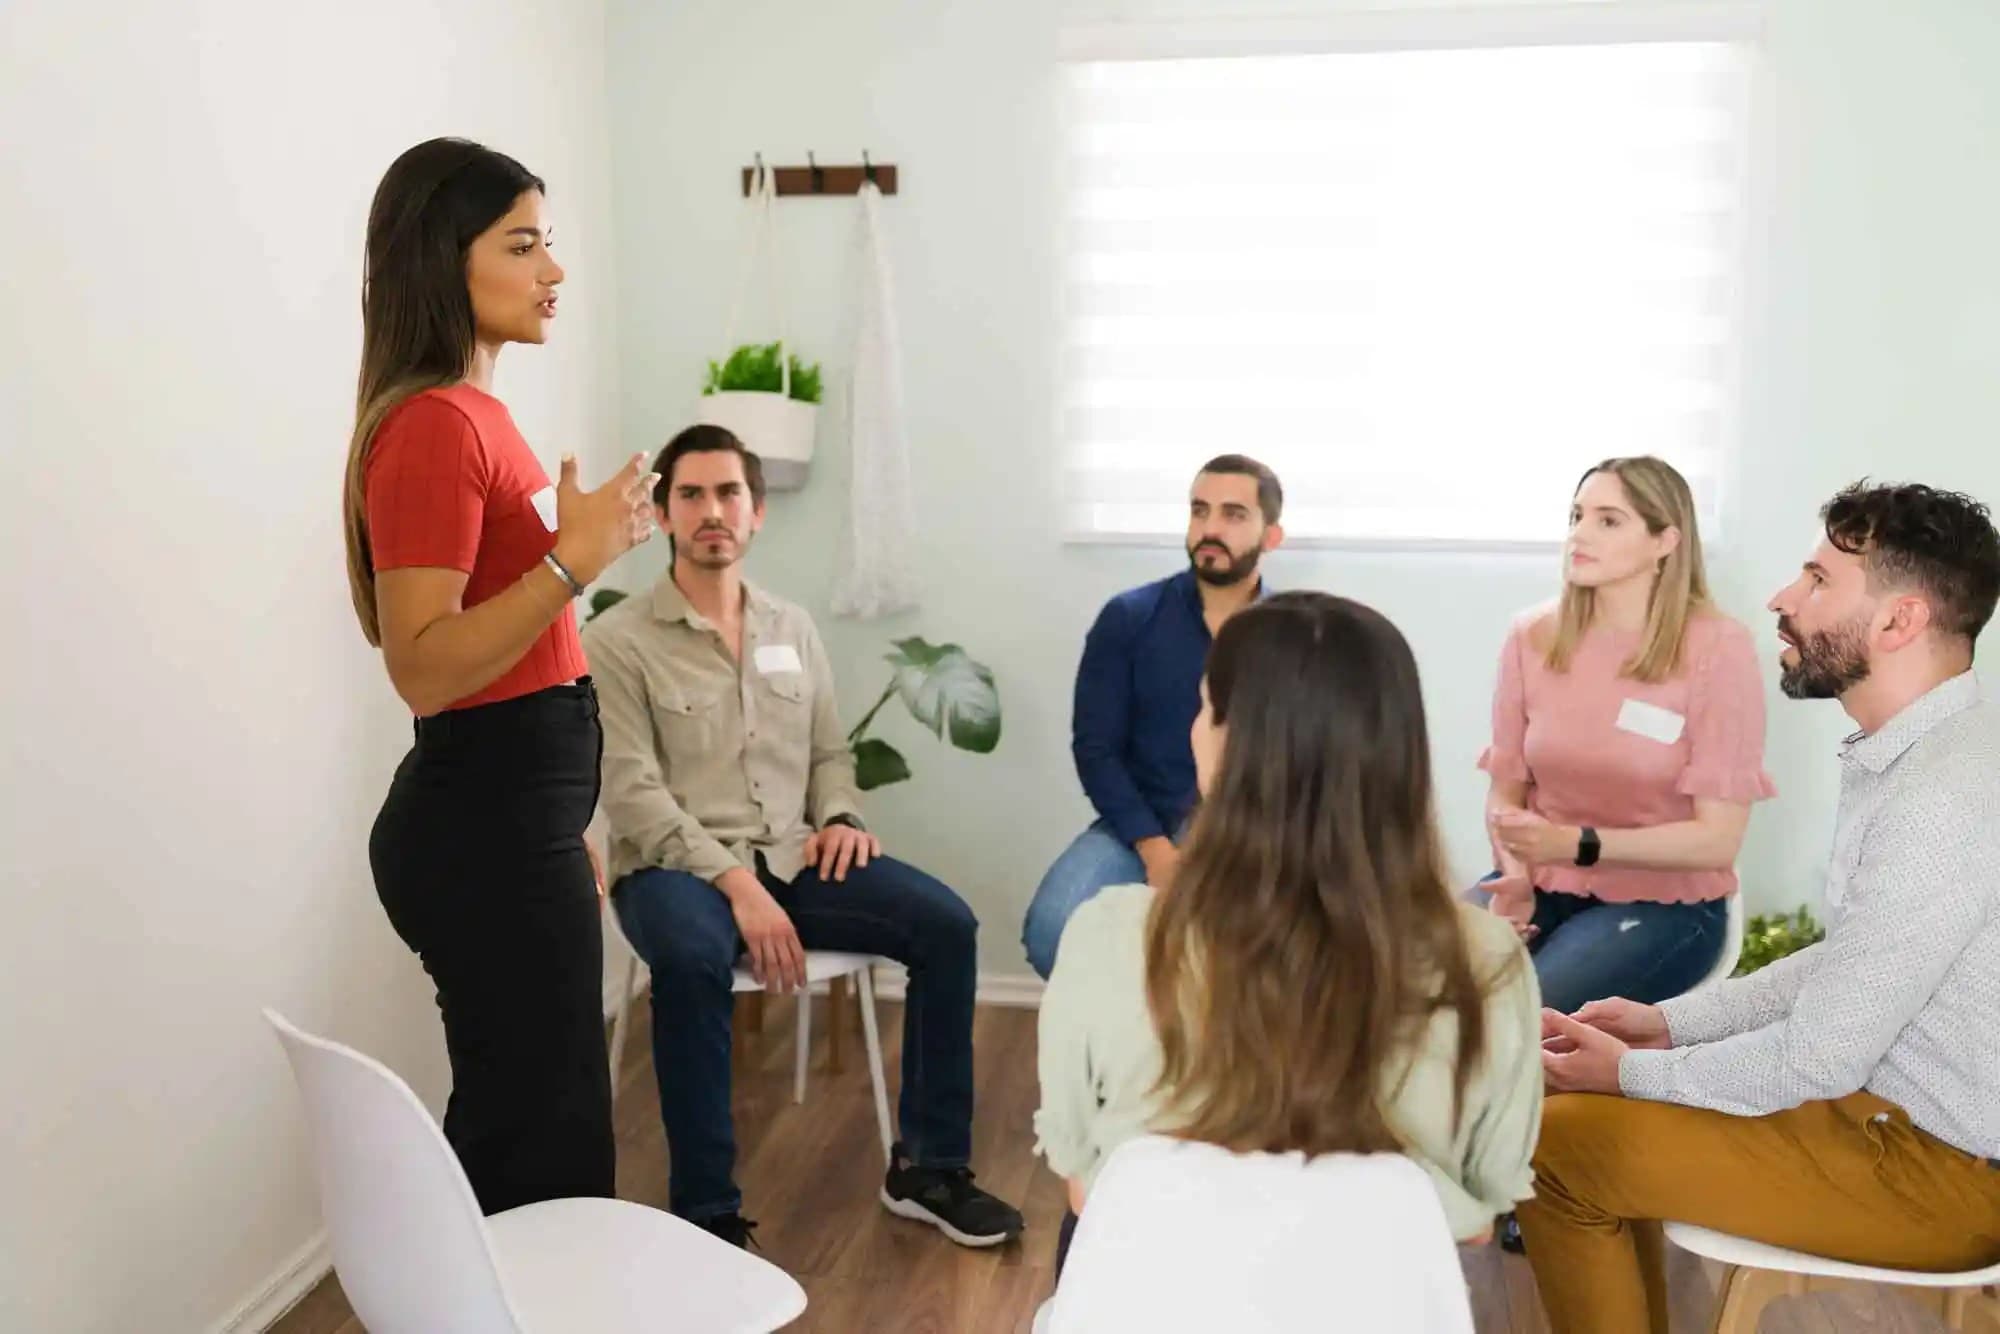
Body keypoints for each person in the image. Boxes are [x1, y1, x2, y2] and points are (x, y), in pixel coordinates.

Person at [1521, 482, 2000, 1334]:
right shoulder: (1930, 754)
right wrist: (1668, 1027)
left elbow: (1817, 1059)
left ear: (1899, 622)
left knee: (1554, 1149)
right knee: (1574, 1124)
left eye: (1817, 581)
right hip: (1890, 1120)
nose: (1783, 597)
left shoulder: (1939, 796)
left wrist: (1628, 1072)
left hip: (1940, 1169)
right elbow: (1851, 962)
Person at [584, 425, 1024, 1250]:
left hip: (793, 854)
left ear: (756, 513)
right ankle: (708, 1214)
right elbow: (633, 794)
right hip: (676, 872)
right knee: (691, 960)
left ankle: (929, 1170)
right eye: (691, 495)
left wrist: (843, 817)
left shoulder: (793, 628)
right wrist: (737, 886)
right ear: (664, 514)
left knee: (946, 926)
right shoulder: (616, 642)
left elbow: (828, 755)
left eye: (729, 494)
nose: (712, 512)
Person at [1034, 592, 1544, 1274]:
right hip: (1372, 1304)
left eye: (1203, 708)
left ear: (1225, 743)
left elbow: (1084, 1186)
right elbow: (1480, 1221)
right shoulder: (1488, 963)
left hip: (1151, 1299)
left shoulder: (1110, 935)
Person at [346, 138, 657, 1213]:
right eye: (522, 246)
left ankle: (471, 1288)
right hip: (483, 825)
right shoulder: (432, 426)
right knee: (544, 1144)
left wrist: (559, 821)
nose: (552, 271)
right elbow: (424, 667)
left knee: (534, 1126)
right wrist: (576, 561)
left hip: (515, 817)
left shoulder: (476, 414)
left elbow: (515, 657)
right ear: (445, 259)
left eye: (547, 243)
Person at [1477, 456, 1774, 1015]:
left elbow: (1717, 840)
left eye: (1608, 521)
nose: (1580, 534)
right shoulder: (1530, 636)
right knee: (1404, 990)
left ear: (1665, 541)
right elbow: (1505, 794)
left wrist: (1577, 844)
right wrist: (1514, 879)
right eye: (1577, 516)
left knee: (1517, 1015)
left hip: (1666, 905)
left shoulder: (1719, 649)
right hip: (1538, 884)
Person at [1020, 455, 1284, 979]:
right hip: (1145, 822)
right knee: (1053, 929)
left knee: (1245, 952)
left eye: (1233, 514)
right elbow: (1095, 748)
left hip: (1256, 833)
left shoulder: (1290, 635)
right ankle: (1134, 1026)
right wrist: (1154, 849)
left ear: (1271, 536)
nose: (1210, 529)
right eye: (1199, 510)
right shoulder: (1129, 618)